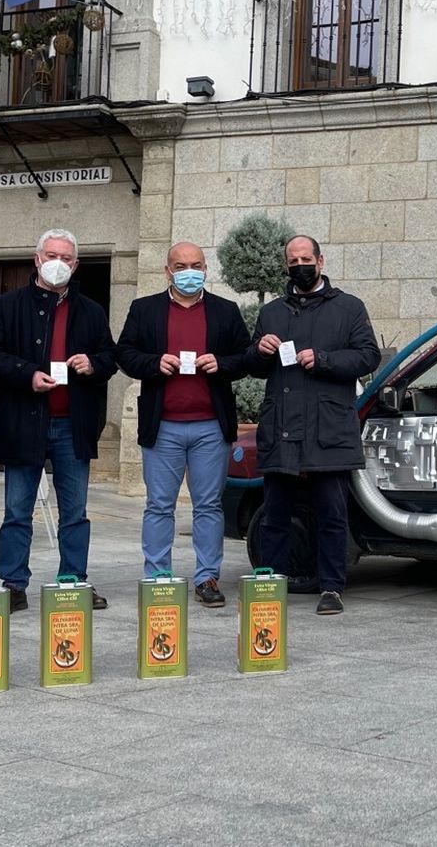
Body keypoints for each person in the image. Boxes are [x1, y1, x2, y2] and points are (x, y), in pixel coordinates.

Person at [0, 229, 118, 612]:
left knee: (75, 511)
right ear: (37, 259)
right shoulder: (4, 307)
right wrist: (26, 373)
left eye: (66, 257)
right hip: (24, 420)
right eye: (51, 255)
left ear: (76, 264)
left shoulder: (91, 309)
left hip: (73, 422)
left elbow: (110, 355)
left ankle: (73, 580)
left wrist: (93, 363)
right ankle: (14, 583)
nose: (59, 263)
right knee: (17, 510)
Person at [247, 235, 380, 615]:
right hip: (282, 426)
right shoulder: (271, 312)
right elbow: (254, 368)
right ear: (286, 266)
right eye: (293, 260)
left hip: (328, 427)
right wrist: (259, 350)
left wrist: (322, 359)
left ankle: (332, 587)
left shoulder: (349, 307)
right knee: (275, 513)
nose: (300, 265)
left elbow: (367, 356)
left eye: (306, 258)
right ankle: (266, 581)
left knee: (331, 512)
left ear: (320, 262)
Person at [116, 242, 254, 608]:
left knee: (208, 505)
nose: (188, 272)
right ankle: (158, 578)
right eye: (180, 265)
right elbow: (125, 354)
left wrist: (221, 363)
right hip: (163, 426)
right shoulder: (144, 309)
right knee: (159, 505)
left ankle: (207, 577)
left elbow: (246, 356)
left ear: (206, 269)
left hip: (211, 425)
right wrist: (153, 363)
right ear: (167, 271)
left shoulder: (225, 311)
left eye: (195, 265)